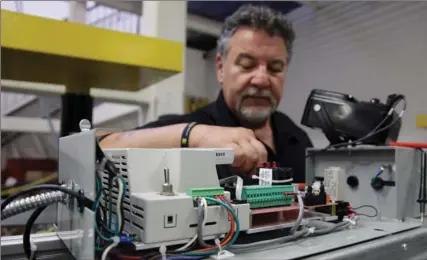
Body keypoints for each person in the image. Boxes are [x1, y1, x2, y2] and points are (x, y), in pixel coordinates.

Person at [100, 4, 313, 184]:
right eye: (247, 65)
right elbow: (100, 147)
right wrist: (192, 137)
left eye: (275, 68)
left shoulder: (297, 138)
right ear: (220, 68)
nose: (261, 79)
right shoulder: (193, 130)